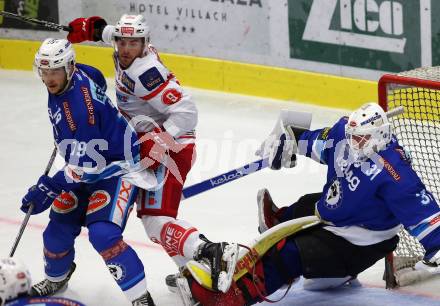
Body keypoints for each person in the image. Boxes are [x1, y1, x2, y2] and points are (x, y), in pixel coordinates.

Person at [174, 102, 440, 305]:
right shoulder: (345, 135)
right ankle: (280, 221)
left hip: (360, 242)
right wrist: (288, 141)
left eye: (361, 139)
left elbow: (427, 220)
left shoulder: (396, 173)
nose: (353, 143)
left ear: (380, 136)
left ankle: (234, 296)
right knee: (306, 204)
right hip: (337, 214)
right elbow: (315, 140)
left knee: (288, 254)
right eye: (352, 136)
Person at [65, 14, 238, 292]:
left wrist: (160, 141)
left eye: (133, 43)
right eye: (122, 41)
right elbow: (113, 34)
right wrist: (94, 30)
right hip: (153, 141)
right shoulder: (127, 49)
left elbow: (187, 112)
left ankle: (211, 251)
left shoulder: (145, 73)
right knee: (154, 218)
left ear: (145, 44)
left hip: (174, 147)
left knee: (156, 219)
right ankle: (191, 270)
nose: (125, 48)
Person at [21, 38, 156, 305]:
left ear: (69, 68)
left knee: (103, 234)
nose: (49, 78)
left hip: (116, 170)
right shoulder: (73, 74)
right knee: (56, 230)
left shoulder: (82, 111)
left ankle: (140, 298)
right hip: (84, 164)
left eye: (54, 71)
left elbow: (87, 168)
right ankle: (57, 277)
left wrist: (48, 187)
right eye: (44, 71)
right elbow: (95, 76)